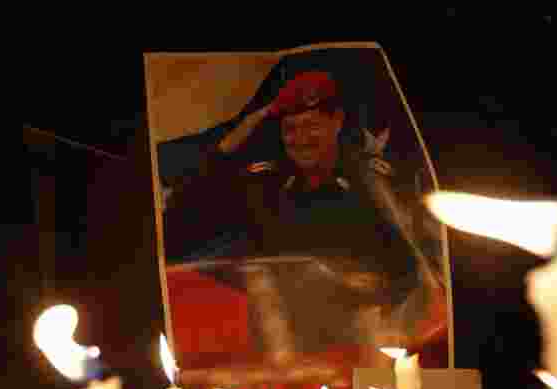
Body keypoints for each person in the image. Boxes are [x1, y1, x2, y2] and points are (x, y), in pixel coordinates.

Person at [163, 70, 447, 356]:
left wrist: (366, 303)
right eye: (290, 129)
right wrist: (234, 139)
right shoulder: (267, 184)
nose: (300, 138)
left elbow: (413, 266)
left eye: (311, 126)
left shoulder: (372, 183)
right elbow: (185, 211)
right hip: (280, 346)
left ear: (337, 122)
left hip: (360, 342)